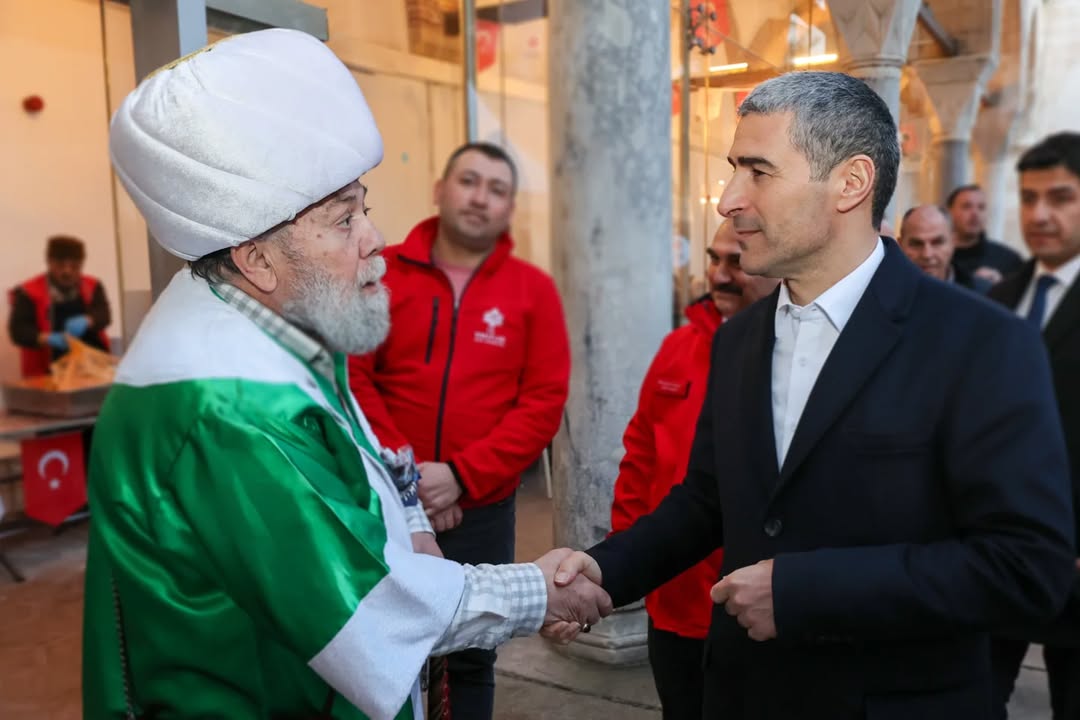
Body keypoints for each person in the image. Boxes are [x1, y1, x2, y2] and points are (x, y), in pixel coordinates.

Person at [83, 29, 609, 720]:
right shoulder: (227, 410)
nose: (373, 237)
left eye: (364, 206)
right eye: (342, 219)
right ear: (257, 259)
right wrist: (537, 592)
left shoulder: (275, 320)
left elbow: (360, 447)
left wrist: (411, 514)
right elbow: (366, 612)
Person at [552, 71, 1076, 720]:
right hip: (741, 695)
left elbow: (1028, 567)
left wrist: (805, 593)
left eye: (759, 172)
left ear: (851, 183)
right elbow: (709, 500)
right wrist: (604, 570)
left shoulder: (983, 342)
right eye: (733, 170)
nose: (728, 201)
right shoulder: (738, 339)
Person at [348, 142, 570, 719]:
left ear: (509, 209)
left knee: (472, 654)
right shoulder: (381, 272)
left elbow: (543, 402)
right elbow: (352, 373)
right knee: (379, 643)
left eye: (497, 189)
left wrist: (461, 478)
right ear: (440, 190)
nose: (480, 197)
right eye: (469, 181)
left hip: (482, 508)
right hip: (386, 500)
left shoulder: (532, 291)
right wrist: (411, 480)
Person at [611, 219, 777, 719]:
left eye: (737, 261)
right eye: (714, 258)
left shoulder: (794, 359)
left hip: (756, 612)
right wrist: (625, 562)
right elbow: (640, 458)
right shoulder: (677, 348)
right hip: (675, 606)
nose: (719, 275)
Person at [989, 131, 1080, 720]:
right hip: (998, 559)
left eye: (1061, 197)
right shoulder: (1001, 298)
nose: (1040, 215)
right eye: (1028, 198)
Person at [8, 235, 111, 377]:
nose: (67, 271)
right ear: (49, 262)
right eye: (60, 265)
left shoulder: (93, 286)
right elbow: (18, 331)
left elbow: (104, 315)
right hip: (47, 372)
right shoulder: (28, 292)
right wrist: (47, 338)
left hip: (93, 367)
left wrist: (88, 320)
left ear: (82, 264)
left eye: (74, 266)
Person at [898, 204, 992, 293]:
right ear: (900, 244)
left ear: (953, 242)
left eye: (937, 243)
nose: (927, 254)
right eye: (916, 244)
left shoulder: (983, 293)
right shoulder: (889, 290)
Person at [947, 184, 1023, 284]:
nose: (975, 213)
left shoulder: (1009, 260)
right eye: (967, 206)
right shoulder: (934, 257)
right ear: (950, 212)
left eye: (981, 208)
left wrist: (1001, 287)